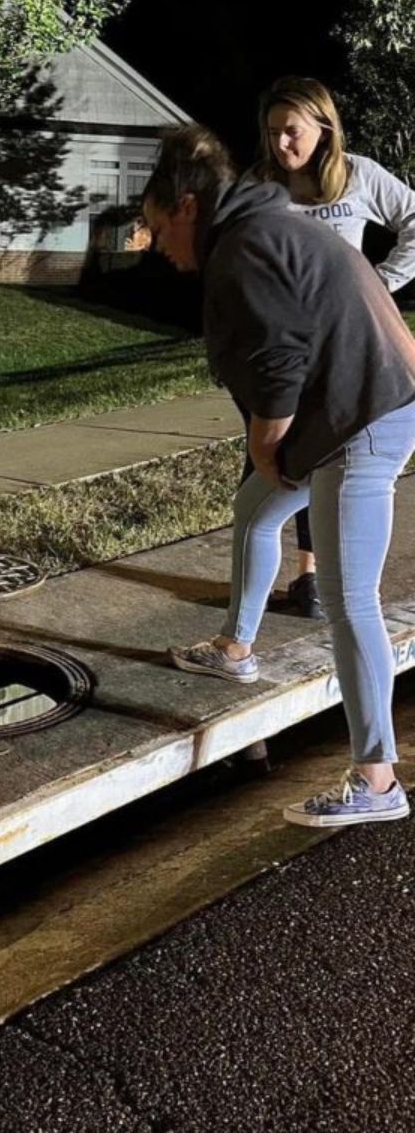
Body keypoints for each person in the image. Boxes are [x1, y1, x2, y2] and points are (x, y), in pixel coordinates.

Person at [143, 124, 415, 828]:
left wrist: (269, 444)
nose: (157, 246)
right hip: (352, 402)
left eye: (155, 227)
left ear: (187, 207)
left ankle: (377, 778)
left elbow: (278, 356)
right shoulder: (264, 222)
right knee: (256, 510)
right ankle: (235, 648)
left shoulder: (246, 245)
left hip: (361, 417)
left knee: (351, 599)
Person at [246, 76, 415, 620]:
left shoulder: (359, 175)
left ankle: (309, 580)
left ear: (323, 128)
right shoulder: (262, 184)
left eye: (291, 132)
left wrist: (381, 281)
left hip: (349, 349)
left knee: (314, 460)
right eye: (272, 133)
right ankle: (250, 612)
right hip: (285, 351)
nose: (281, 146)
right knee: (271, 468)